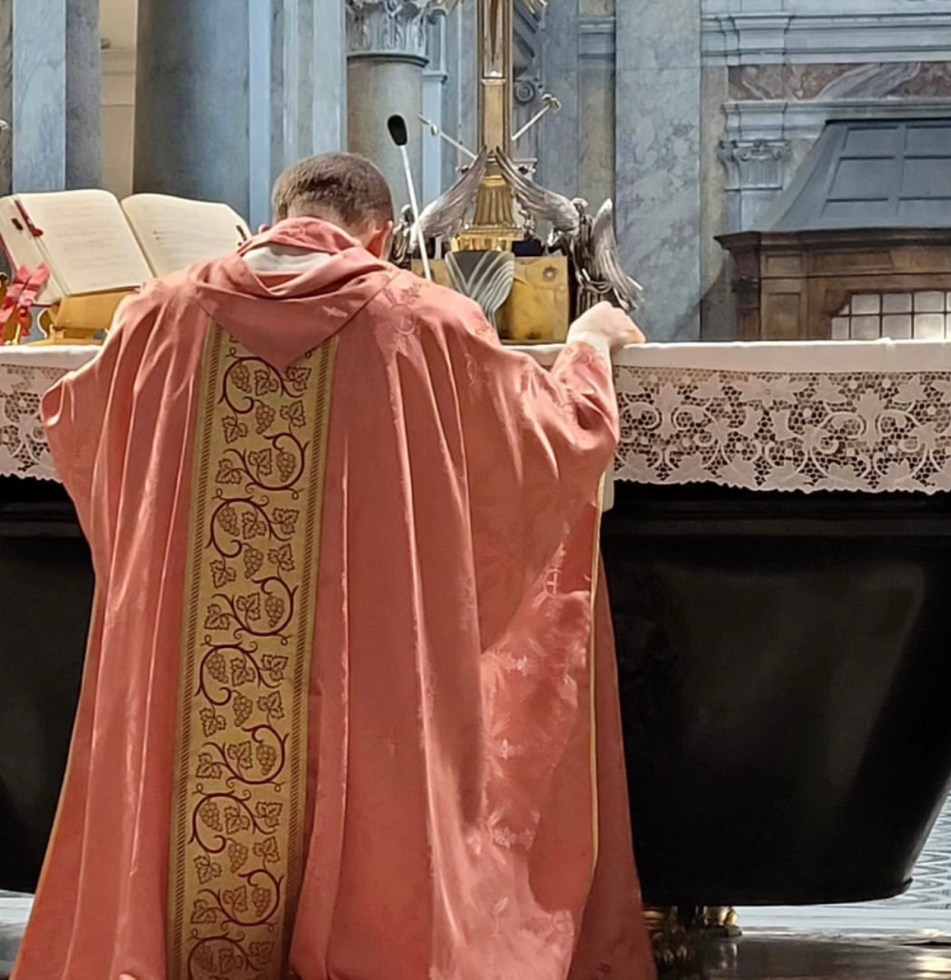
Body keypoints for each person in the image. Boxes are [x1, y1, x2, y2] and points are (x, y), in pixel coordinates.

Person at [13, 153, 654, 980]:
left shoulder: (156, 314)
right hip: (367, 663)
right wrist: (587, 344)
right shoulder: (428, 319)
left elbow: (81, 429)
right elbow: (553, 442)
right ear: (381, 236)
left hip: (197, 677)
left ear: (274, 216)